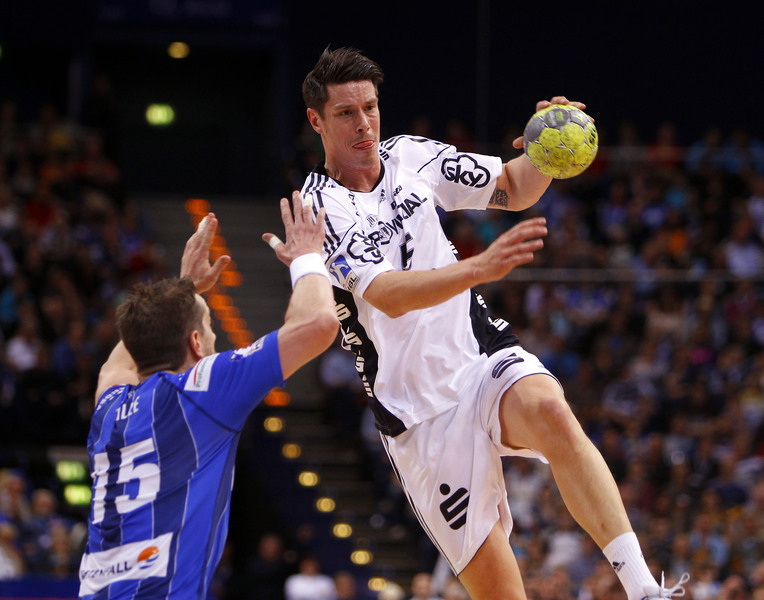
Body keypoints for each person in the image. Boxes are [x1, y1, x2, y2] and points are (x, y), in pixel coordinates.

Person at [299, 47, 689, 600]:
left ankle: (644, 589)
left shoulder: (410, 156)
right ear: (316, 121)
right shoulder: (318, 208)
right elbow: (387, 295)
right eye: (346, 113)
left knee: (552, 411)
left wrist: (549, 149)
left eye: (370, 107)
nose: (364, 123)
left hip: (479, 359)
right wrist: (478, 268)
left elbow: (513, 184)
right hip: (418, 415)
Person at [77, 193, 339, 599]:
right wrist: (307, 257)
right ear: (196, 343)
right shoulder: (201, 387)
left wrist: (182, 292)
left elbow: (121, 361)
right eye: (211, 327)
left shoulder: (109, 407)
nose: (215, 338)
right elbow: (320, 323)